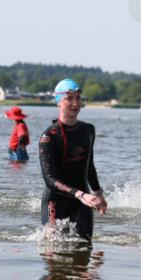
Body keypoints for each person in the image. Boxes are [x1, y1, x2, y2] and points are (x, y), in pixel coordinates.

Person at [39, 79, 106, 239]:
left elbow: (89, 166)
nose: (75, 103)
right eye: (69, 99)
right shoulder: (49, 137)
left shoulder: (88, 130)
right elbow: (49, 179)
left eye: (78, 98)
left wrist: (98, 194)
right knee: (52, 250)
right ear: (58, 102)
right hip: (55, 201)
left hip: (83, 201)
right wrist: (81, 195)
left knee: (86, 247)